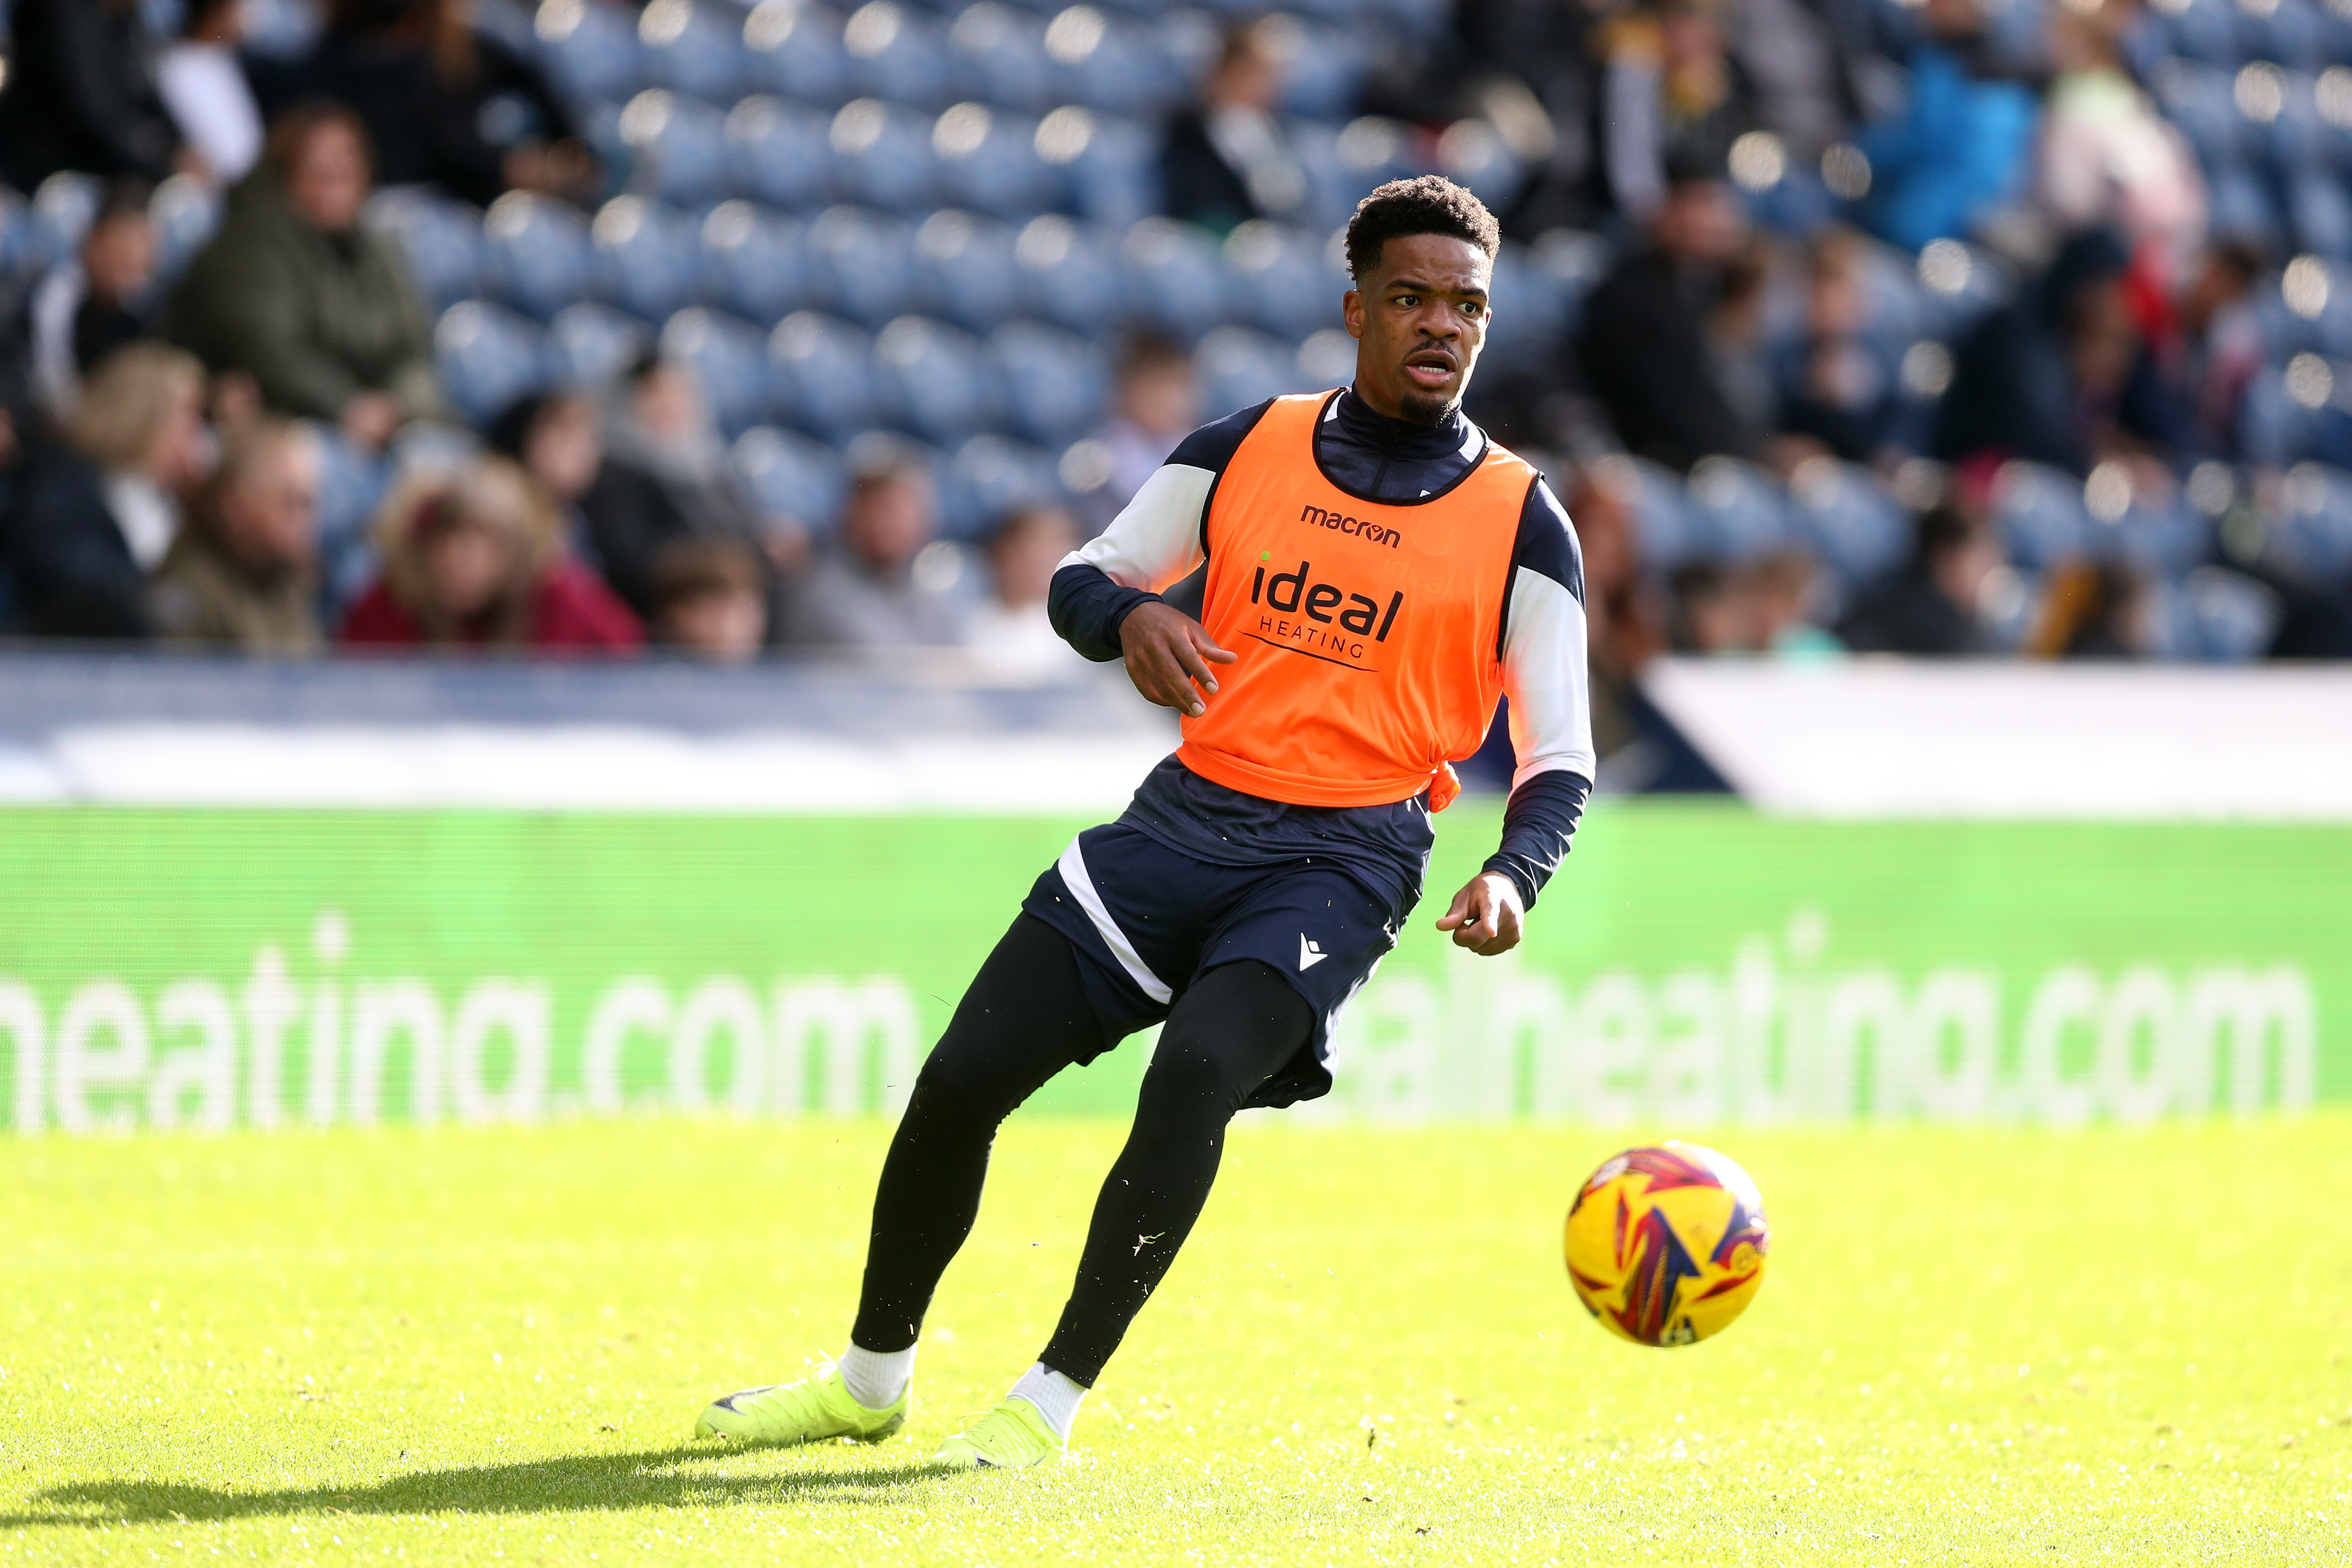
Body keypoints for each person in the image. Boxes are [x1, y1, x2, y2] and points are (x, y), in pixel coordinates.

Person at [695, 177, 1594, 1469]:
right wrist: (1130, 619)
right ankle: (866, 1381)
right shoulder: (1248, 446)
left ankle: (1045, 1400)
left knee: (1192, 1073)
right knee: (956, 1086)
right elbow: (1080, 580)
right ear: (1357, 308)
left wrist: (1516, 868)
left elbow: (1560, 758)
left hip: (1344, 856)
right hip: (1180, 823)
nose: (1441, 325)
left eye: (1467, 304)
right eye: (1411, 297)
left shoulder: (1523, 520)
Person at [166, 103, 448, 450]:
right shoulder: (250, 240)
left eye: (349, 157)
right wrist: (346, 405)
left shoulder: (377, 244)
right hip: (275, 420)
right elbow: (268, 350)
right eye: (322, 162)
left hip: (373, 423)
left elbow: (410, 349)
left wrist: (403, 411)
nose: (338, 169)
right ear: (288, 168)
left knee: (436, 453)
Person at [255, 0, 593, 208]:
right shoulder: (320, 68)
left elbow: (540, 91)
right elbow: (448, 149)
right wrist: (502, 167)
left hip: (467, 215)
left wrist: (553, 160)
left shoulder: (458, 52)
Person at [1933, 227, 2186, 476]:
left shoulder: (2070, 346)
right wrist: (2097, 465)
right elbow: (2032, 437)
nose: (2109, 300)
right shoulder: (2013, 331)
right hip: (1961, 471)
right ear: (2080, 277)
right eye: (2103, 285)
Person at [5, 343, 209, 639]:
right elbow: (84, 588)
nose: (197, 439)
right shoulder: (62, 490)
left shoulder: (173, 504)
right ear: (140, 416)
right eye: (187, 420)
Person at [339, 457, 641, 653]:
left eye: (488, 544)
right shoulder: (393, 601)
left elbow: (625, 653)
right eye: (451, 536)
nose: (461, 560)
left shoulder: (555, 597)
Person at [1576, 161, 1757, 472]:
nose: (1711, 220)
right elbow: (1664, 408)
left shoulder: (1711, 291)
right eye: (1696, 203)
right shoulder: (1625, 295)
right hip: (1651, 465)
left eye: (1714, 204)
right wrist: (1749, 458)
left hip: (1715, 459)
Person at [578, 357, 778, 624]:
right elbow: (633, 565)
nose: (671, 405)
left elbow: (750, 542)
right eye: (656, 393)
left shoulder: (712, 470)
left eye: (680, 392)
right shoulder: (613, 475)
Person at [149, 419, 324, 654]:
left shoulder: (287, 576)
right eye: (291, 503)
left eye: (310, 504)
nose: (306, 522)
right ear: (236, 509)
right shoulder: (190, 590)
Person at [773, 454, 965, 649]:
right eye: (885, 508)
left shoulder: (922, 591)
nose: (897, 522)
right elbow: (884, 669)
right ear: (850, 513)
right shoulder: (821, 594)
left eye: (908, 509)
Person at [0, 0, 188, 191]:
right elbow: (94, 111)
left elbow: (146, 92)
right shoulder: (65, 13)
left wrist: (179, 148)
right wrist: (164, 160)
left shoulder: (125, 20)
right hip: (46, 176)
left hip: (100, 168)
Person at [1159, 21, 1309, 234]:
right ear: (1227, 72)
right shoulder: (1189, 132)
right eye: (1257, 73)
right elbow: (1197, 202)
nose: (1269, 85)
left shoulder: (1278, 132)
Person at [27, 181, 161, 417]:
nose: (129, 264)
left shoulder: (148, 307)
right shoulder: (57, 297)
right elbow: (52, 388)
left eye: (139, 250)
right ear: (91, 241)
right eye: (118, 251)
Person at [1836, 500, 2003, 655]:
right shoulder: (1925, 623)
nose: (1988, 576)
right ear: (1944, 558)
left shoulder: (1961, 621)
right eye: (1981, 563)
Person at [1082, 333, 1203, 533]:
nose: (1175, 400)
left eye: (1180, 386)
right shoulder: (1103, 457)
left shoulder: (1199, 447)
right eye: (1159, 387)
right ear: (1129, 391)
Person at [487, 390, 606, 569]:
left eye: (588, 440)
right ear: (525, 437)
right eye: (565, 437)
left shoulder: (574, 522)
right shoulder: (494, 505)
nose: (581, 451)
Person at [964, 504, 1085, 678]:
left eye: (1054, 546)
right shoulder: (970, 625)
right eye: (1032, 547)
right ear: (1004, 553)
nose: (1043, 558)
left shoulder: (1075, 634)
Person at [159, 0, 269, 186]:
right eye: (238, 10)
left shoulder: (225, 57)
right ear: (217, 11)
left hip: (253, 177)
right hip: (213, 187)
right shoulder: (176, 66)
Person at [649, 538, 768, 663]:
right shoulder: (638, 668)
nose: (734, 626)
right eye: (715, 611)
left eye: (747, 609)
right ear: (675, 612)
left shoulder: (775, 673)